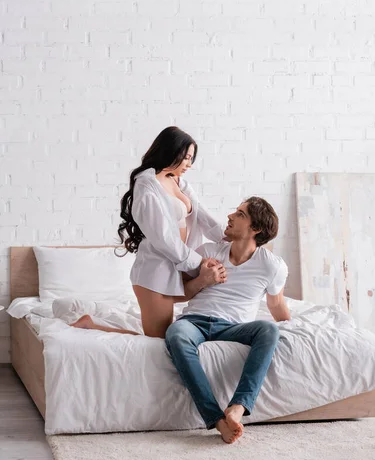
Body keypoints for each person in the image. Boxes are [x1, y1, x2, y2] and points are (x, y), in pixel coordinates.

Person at [72, 126, 225, 338]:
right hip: (155, 272)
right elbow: (163, 238)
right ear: (172, 152)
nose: (190, 164)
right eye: (187, 158)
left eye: (191, 159)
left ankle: (90, 324)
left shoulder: (178, 181)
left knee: (165, 338)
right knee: (158, 342)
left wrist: (234, 239)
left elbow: (204, 217)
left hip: (177, 267)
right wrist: (199, 262)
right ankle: (91, 325)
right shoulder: (147, 184)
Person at [165, 196, 291, 444]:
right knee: (176, 335)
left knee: (268, 330)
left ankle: (239, 406)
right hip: (195, 322)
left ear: (256, 229)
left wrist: (291, 329)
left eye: (240, 214)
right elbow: (178, 295)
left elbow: (275, 303)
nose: (230, 216)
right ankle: (216, 419)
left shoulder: (272, 266)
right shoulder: (208, 251)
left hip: (235, 327)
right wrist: (204, 280)